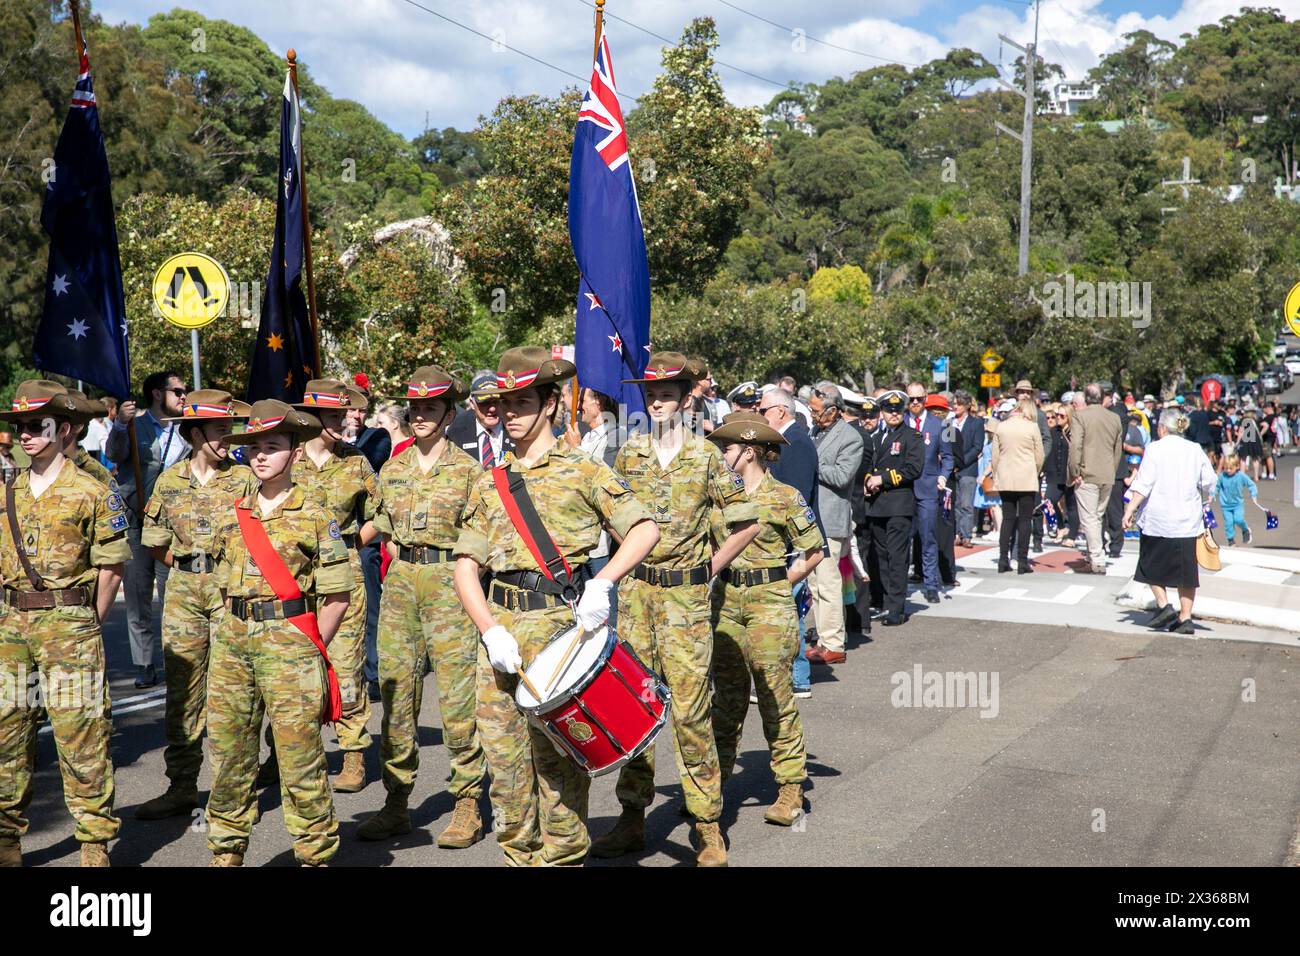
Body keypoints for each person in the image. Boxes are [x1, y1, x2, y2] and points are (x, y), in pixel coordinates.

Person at [452, 346, 659, 866]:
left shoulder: (583, 470)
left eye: (523, 402)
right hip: (500, 636)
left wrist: (604, 582)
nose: (512, 413)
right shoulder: (488, 479)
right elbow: (464, 567)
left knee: (560, 770)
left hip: (559, 630)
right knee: (506, 770)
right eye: (505, 403)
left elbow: (644, 528)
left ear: (550, 403)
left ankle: (564, 857)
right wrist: (488, 629)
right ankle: (518, 857)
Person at [592, 351, 758, 866]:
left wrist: (709, 567)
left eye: (668, 393)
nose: (658, 400)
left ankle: (707, 824)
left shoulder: (708, 457)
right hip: (636, 595)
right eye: (651, 393)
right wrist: (626, 553)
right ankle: (631, 818)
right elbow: (611, 514)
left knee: (689, 710)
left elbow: (746, 521)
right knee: (632, 708)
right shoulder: (629, 453)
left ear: (689, 398)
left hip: (685, 600)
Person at [205, 401, 352, 866]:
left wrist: (308, 649)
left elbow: (337, 596)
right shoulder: (233, 512)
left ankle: (315, 855)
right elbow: (217, 577)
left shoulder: (314, 512)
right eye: (254, 448)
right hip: (233, 643)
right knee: (228, 756)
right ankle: (226, 852)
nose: (261, 455)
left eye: (271, 446)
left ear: (294, 450)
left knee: (299, 760)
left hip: (289, 644)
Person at [0, 382, 130, 868]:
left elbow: (112, 566)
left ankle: (94, 843)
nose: (25, 436)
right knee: (6, 731)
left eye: (36, 426)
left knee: (81, 732)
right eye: (19, 428)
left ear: (66, 428)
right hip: (11, 625)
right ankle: (6, 839)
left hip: (69, 622)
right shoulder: (6, 491)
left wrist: (84, 624)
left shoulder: (92, 491)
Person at [357, 367, 488, 848]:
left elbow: (480, 540)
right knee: (396, 693)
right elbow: (384, 530)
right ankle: (396, 803)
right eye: (414, 408)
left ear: (450, 414)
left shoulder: (471, 472)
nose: (420, 416)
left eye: (430, 408)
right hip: (401, 583)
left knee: (457, 698)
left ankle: (467, 802)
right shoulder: (393, 467)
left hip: (450, 582)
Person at [135, 391, 254, 821]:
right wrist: (190, 566)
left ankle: (232, 797)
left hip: (229, 591)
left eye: (228, 430)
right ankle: (181, 788)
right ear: (195, 433)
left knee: (231, 696)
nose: (227, 439)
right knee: (183, 694)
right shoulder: (169, 481)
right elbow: (154, 543)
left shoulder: (243, 479)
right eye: (219, 431)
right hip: (184, 590)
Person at [707, 412, 824, 826]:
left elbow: (815, 551)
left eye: (728, 449)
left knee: (775, 696)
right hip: (725, 600)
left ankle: (791, 788)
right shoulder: (721, 496)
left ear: (750, 451)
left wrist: (780, 581)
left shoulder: (786, 497)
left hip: (769, 603)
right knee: (726, 701)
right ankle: (712, 788)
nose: (722, 455)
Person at [288, 379, 379, 794]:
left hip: (343, 576)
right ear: (310, 418)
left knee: (345, 665)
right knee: (290, 664)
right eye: (332, 415)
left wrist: (345, 548)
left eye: (344, 414)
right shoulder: (286, 461)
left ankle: (353, 753)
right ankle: (288, 752)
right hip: (292, 577)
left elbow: (379, 517)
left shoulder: (356, 462)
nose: (342, 422)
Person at [105, 370, 191, 689]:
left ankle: (177, 660)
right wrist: (120, 425)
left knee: (174, 597)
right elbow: (114, 455)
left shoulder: (187, 430)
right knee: (139, 596)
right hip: (136, 522)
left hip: (172, 526)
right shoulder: (135, 426)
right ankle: (144, 663)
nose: (184, 397)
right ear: (157, 394)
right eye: (178, 391)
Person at [1123, 409, 1218, 634]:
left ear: (1163, 428)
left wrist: (1130, 509)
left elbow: (1143, 484)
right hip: (1186, 519)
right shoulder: (1194, 449)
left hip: (1158, 518)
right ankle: (1185, 617)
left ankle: (1164, 605)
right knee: (1187, 573)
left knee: (1149, 564)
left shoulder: (1155, 449)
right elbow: (1210, 481)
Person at [759, 387, 821, 698]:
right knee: (788, 608)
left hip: (793, 544)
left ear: (781, 411)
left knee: (790, 609)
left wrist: (784, 541)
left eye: (763, 410)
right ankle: (792, 676)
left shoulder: (796, 442)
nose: (760, 416)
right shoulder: (784, 440)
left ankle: (798, 678)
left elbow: (795, 497)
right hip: (788, 542)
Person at [804, 382, 863, 664]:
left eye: (817, 412)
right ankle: (823, 638)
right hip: (812, 518)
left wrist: (811, 463)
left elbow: (842, 477)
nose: (813, 416)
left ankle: (834, 644)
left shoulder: (851, 437)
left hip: (831, 519)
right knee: (814, 585)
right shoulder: (815, 431)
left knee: (828, 584)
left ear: (834, 410)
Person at [863, 391, 924, 626]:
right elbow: (870, 465)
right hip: (877, 505)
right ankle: (888, 603)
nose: (894, 414)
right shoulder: (877, 437)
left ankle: (896, 608)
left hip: (898, 505)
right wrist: (869, 480)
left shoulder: (912, 436)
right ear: (882, 412)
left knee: (897, 559)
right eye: (889, 410)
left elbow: (913, 469)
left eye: (898, 410)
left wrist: (883, 479)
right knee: (882, 559)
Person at [904, 382, 952, 604]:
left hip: (928, 488)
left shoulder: (939, 425)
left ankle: (931, 583)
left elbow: (948, 457)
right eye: (911, 399)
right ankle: (899, 584)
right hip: (902, 489)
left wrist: (943, 476)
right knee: (902, 539)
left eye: (919, 399)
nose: (915, 403)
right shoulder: (900, 420)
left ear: (925, 400)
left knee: (928, 536)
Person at [1068, 384, 1123, 575]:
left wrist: (1075, 471)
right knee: (1097, 517)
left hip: (1087, 473)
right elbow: (1118, 450)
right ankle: (1093, 558)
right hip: (1107, 474)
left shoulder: (1081, 416)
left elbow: (1076, 446)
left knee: (1090, 519)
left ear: (1086, 397)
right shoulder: (1114, 418)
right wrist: (1112, 470)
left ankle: (1097, 559)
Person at [991, 397, 1045, 574]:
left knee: (1007, 519)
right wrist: (1034, 471)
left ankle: (1002, 559)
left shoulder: (1002, 426)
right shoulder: (1032, 427)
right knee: (1024, 519)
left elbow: (995, 456)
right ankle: (1022, 561)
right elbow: (1039, 456)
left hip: (1006, 476)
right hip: (1026, 476)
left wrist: (997, 472)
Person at [447, 372, 510, 467]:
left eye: (496, 402)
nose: (492, 409)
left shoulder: (514, 428)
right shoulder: (458, 429)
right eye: (485, 403)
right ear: (472, 403)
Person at [950, 391, 985, 548]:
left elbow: (977, 447)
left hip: (968, 469)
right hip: (951, 469)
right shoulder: (949, 423)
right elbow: (947, 445)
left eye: (958, 404)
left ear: (966, 405)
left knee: (966, 504)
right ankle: (956, 533)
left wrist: (961, 462)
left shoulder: (976, 423)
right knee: (954, 504)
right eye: (954, 404)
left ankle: (966, 535)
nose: (955, 406)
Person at [1214, 454, 1258, 546]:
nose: (1228, 470)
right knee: (1228, 523)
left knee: (1238, 519)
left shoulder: (1241, 476)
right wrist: (1212, 495)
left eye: (1230, 468)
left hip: (1237, 504)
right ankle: (1230, 540)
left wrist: (1253, 495)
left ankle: (1245, 530)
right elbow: (1217, 487)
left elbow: (1251, 485)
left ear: (1237, 466)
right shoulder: (1222, 476)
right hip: (1226, 505)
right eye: (1226, 468)